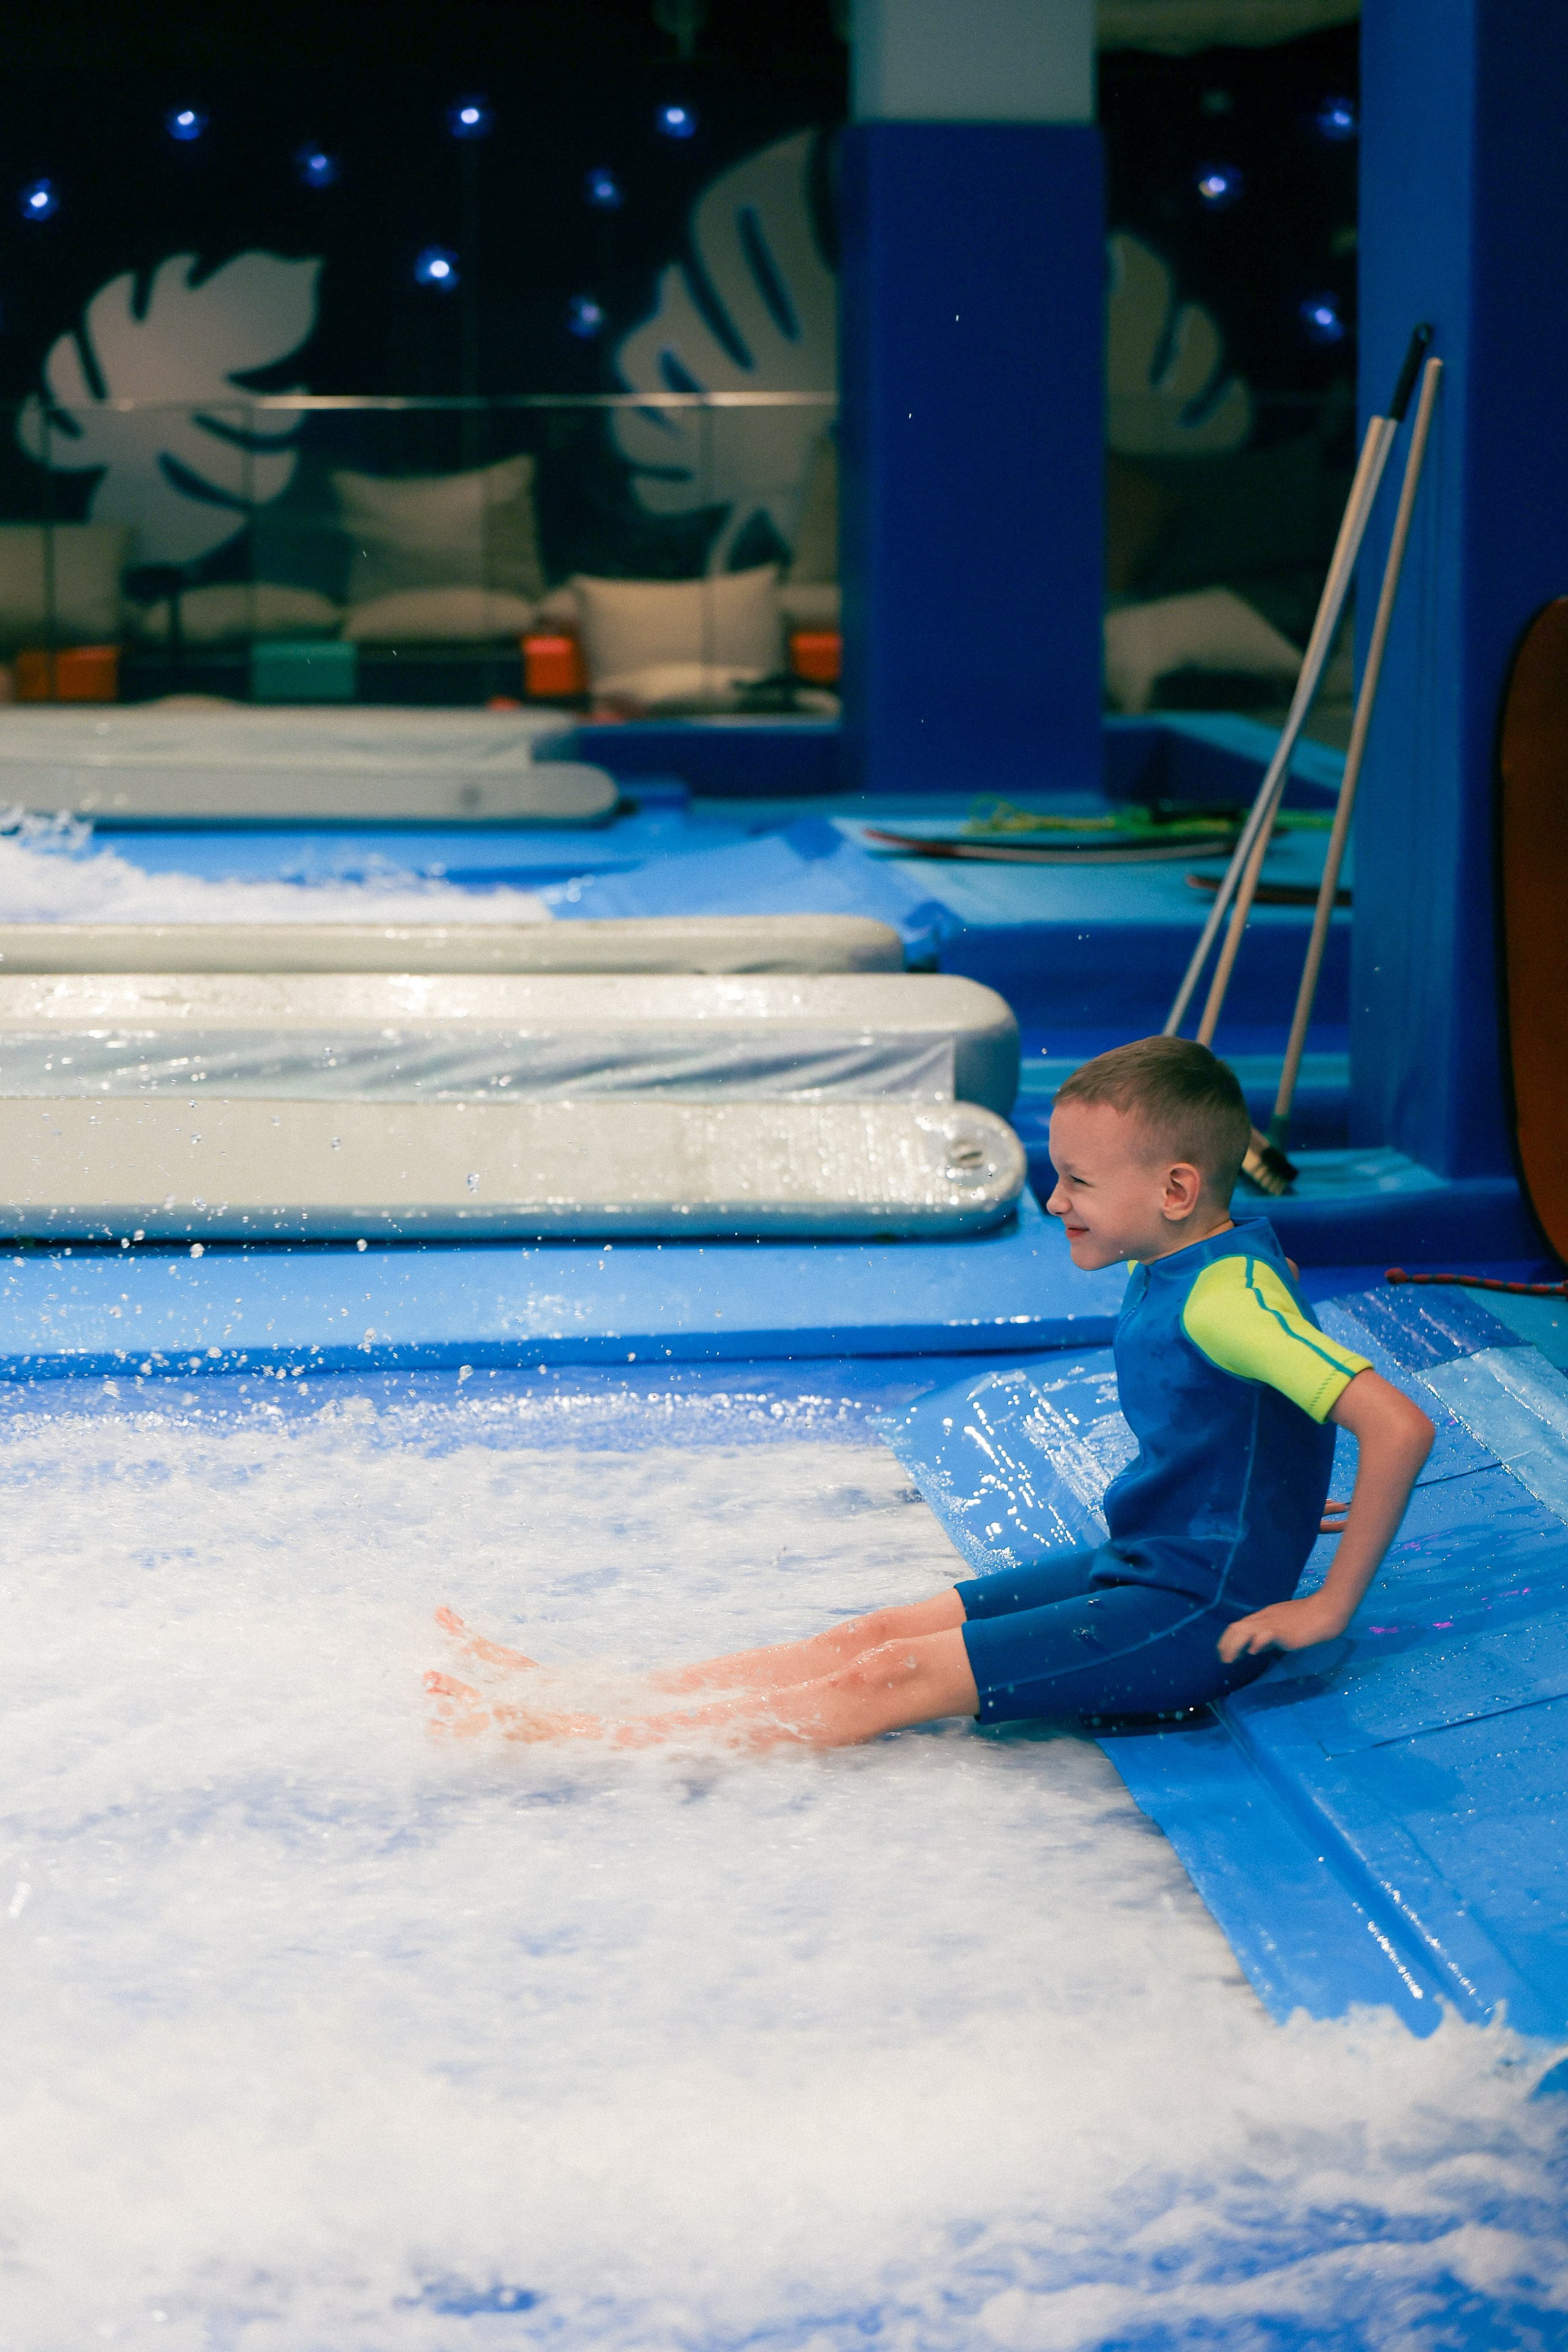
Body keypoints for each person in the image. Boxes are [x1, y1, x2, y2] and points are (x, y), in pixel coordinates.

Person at [428, 1036, 1433, 1752]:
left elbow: (1397, 1425)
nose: (1052, 1201)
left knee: (886, 1681)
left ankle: (575, 1737)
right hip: (1161, 1565)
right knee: (868, 1636)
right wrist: (1272, 1498)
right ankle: (586, 1693)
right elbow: (1261, 1405)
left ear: (1174, 1191)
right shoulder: (1206, 1267)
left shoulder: (1223, 1301)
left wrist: (1325, 1604)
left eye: (1077, 1182)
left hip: (1194, 1619)